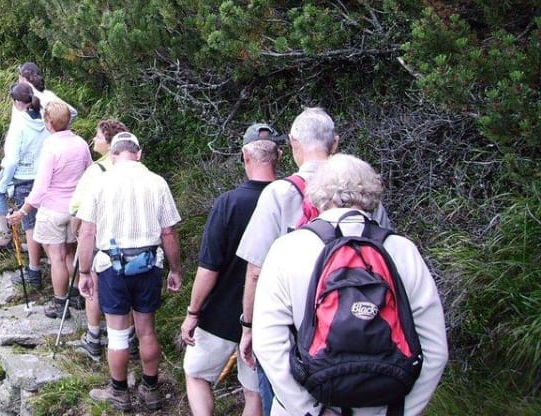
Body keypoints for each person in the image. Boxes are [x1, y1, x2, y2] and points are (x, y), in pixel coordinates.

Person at [252, 154, 448, 416]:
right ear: (370, 192)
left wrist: (309, 411)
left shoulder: (286, 249)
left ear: (316, 194)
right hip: (384, 404)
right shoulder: (402, 250)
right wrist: (398, 411)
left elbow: (268, 345)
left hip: (308, 405)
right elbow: (435, 350)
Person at [236, 108, 391, 415]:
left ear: (293, 142)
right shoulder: (365, 197)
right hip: (363, 332)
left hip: (293, 339)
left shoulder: (279, 194)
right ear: (335, 143)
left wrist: (249, 327)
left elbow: (255, 271)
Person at [181, 123, 282, 416]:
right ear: (278, 156)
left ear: (245, 155)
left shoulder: (229, 203)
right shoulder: (292, 200)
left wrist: (192, 312)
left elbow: (209, 267)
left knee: (197, 374)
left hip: (221, 312)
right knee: (255, 392)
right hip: (270, 316)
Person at [77, 132, 182, 412]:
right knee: (146, 331)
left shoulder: (100, 183)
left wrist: (85, 272)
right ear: (140, 152)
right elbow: (168, 232)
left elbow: (87, 232)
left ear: (113, 154)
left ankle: (119, 393)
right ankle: (150, 389)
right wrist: (176, 270)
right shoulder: (157, 182)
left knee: (117, 334)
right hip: (149, 265)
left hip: (112, 267)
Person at [7, 100, 91, 317]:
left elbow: (41, 186)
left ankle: (59, 302)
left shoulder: (51, 146)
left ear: (49, 122)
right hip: (76, 208)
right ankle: (76, 295)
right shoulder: (81, 143)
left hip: (53, 209)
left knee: (56, 257)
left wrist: (23, 211)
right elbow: (90, 173)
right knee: (71, 251)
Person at [69, 118, 129, 358]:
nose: (95, 140)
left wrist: (77, 233)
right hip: (128, 237)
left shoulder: (97, 171)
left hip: (98, 236)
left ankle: (93, 337)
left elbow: (77, 208)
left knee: (91, 284)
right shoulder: (134, 169)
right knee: (127, 288)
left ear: (110, 143)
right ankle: (130, 338)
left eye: (99, 137)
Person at [0, 82, 49, 267]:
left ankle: (5, 236)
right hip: (42, 171)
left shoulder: (19, 123)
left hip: (21, 173)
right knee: (35, 213)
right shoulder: (45, 117)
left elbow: (12, 160)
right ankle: (42, 246)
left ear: (17, 102)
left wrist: (5, 184)